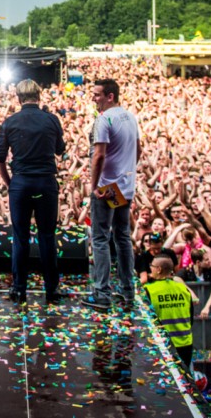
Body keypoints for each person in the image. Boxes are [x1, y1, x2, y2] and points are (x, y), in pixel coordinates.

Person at [0, 78, 66, 305]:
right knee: (47, 236)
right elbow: (60, 150)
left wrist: (9, 182)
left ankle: (19, 290)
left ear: (18, 98)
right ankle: (52, 291)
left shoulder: (10, 122)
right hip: (45, 183)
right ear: (39, 96)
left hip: (21, 184)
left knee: (20, 238)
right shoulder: (51, 120)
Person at [83, 78, 139, 311]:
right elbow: (139, 150)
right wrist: (126, 174)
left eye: (97, 95)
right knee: (123, 237)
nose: (94, 98)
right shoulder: (130, 117)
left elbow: (99, 156)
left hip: (106, 189)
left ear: (110, 96)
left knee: (100, 238)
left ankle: (102, 292)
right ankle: (127, 290)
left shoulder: (103, 119)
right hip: (125, 186)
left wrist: (95, 186)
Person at [141, 257, 194, 367]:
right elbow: (191, 317)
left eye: (152, 266)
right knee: (184, 380)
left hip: (162, 345)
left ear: (159, 269)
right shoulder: (182, 288)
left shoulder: (149, 289)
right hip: (185, 343)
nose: (150, 269)